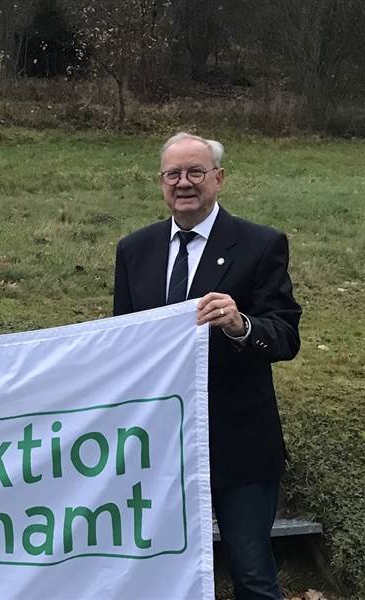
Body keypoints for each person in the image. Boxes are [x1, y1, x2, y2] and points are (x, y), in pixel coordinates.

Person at [113, 132, 301, 599]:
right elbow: (121, 342)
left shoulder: (260, 244)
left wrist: (241, 325)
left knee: (252, 573)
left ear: (218, 178)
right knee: (158, 572)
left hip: (239, 443)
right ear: (161, 182)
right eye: (173, 174)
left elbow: (286, 335)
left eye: (195, 172)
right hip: (161, 445)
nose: (184, 183)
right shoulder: (134, 250)